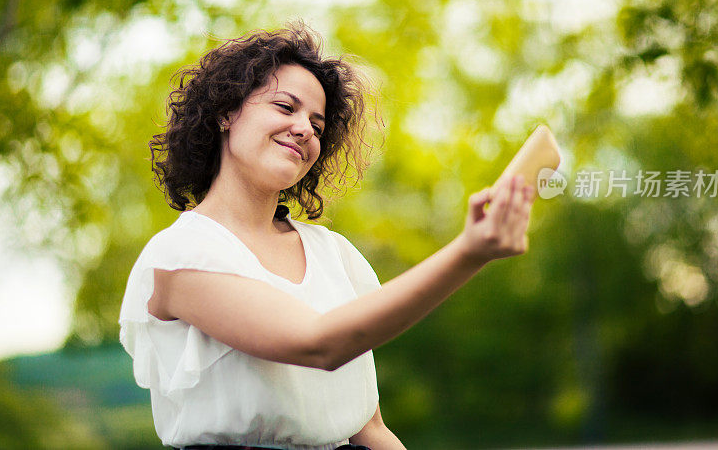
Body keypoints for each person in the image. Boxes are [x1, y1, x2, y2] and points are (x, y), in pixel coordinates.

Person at [119, 23, 536, 450]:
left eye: (317, 126)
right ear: (226, 112)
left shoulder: (335, 254)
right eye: (285, 107)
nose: (304, 130)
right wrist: (469, 253)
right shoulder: (178, 256)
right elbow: (319, 343)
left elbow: (369, 430)